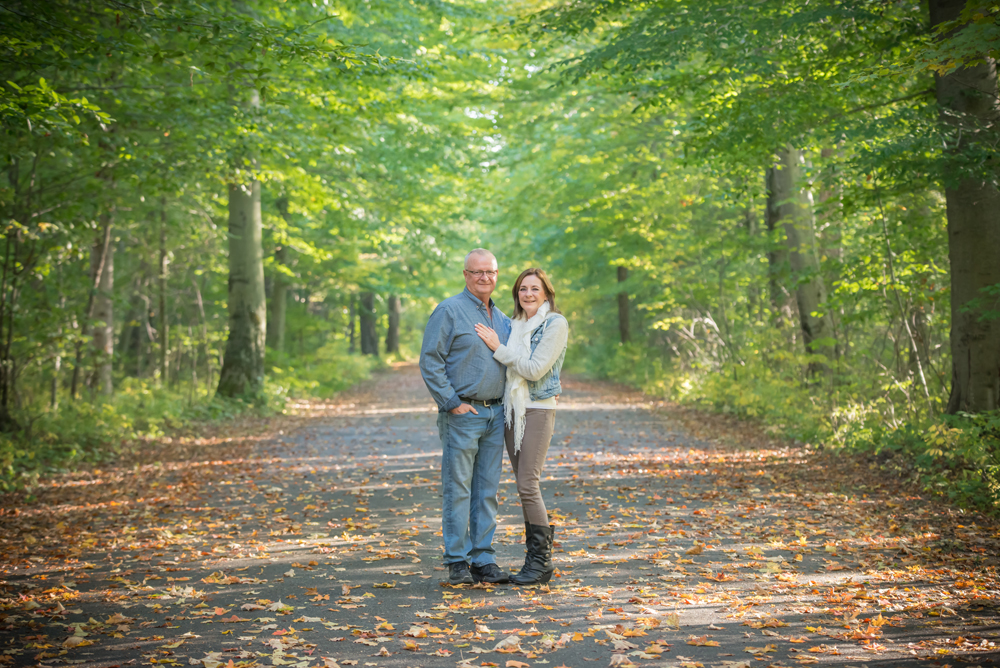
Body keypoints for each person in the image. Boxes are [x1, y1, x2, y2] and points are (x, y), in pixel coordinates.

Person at [419, 249, 512, 585]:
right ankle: (457, 561)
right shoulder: (449, 310)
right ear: (465, 274)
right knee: (458, 488)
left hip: (496, 414)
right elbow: (430, 360)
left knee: (487, 490)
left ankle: (483, 560)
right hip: (463, 413)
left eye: (490, 272)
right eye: (477, 272)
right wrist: (451, 402)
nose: (484, 277)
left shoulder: (503, 319)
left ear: (497, 275)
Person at [474, 268, 568, 585]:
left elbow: (534, 369)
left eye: (534, 288)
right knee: (523, 485)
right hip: (512, 409)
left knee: (528, 484)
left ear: (546, 293)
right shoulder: (514, 325)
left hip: (538, 409)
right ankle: (534, 561)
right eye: (522, 289)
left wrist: (497, 347)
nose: (528, 294)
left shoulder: (555, 323)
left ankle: (541, 563)